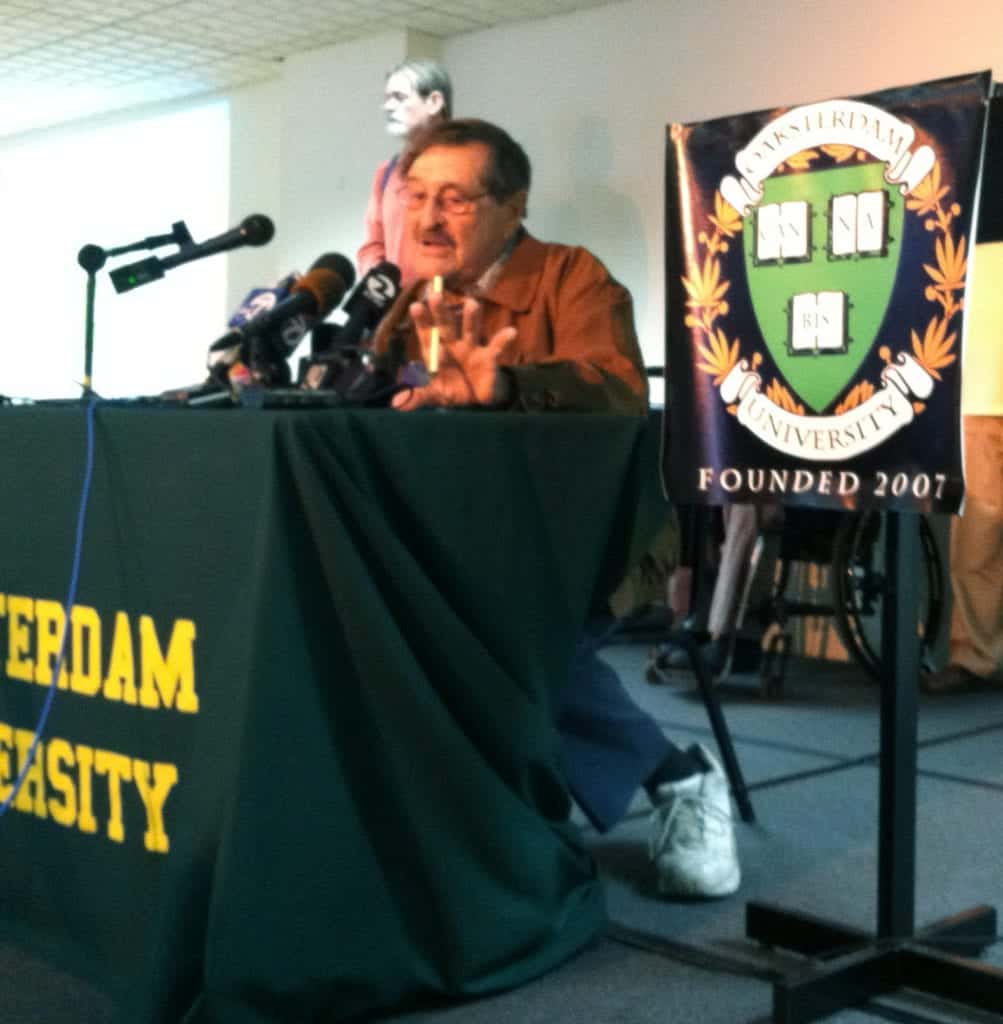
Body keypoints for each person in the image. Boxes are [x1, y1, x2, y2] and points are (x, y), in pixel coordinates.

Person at [369, 117, 741, 898]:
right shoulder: (409, 303)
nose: (430, 219)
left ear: (514, 205)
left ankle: (679, 779)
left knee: (501, 630)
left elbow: (614, 392)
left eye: (457, 200)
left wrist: (506, 388)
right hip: (451, 537)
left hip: (585, 539)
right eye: (418, 197)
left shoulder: (574, 278)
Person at [357, 58, 452, 287]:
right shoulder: (386, 174)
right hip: (394, 314)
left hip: (445, 311)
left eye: (399, 98)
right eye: (387, 99)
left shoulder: (465, 167)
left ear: (434, 102)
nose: (388, 107)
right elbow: (371, 247)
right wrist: (383, 290)